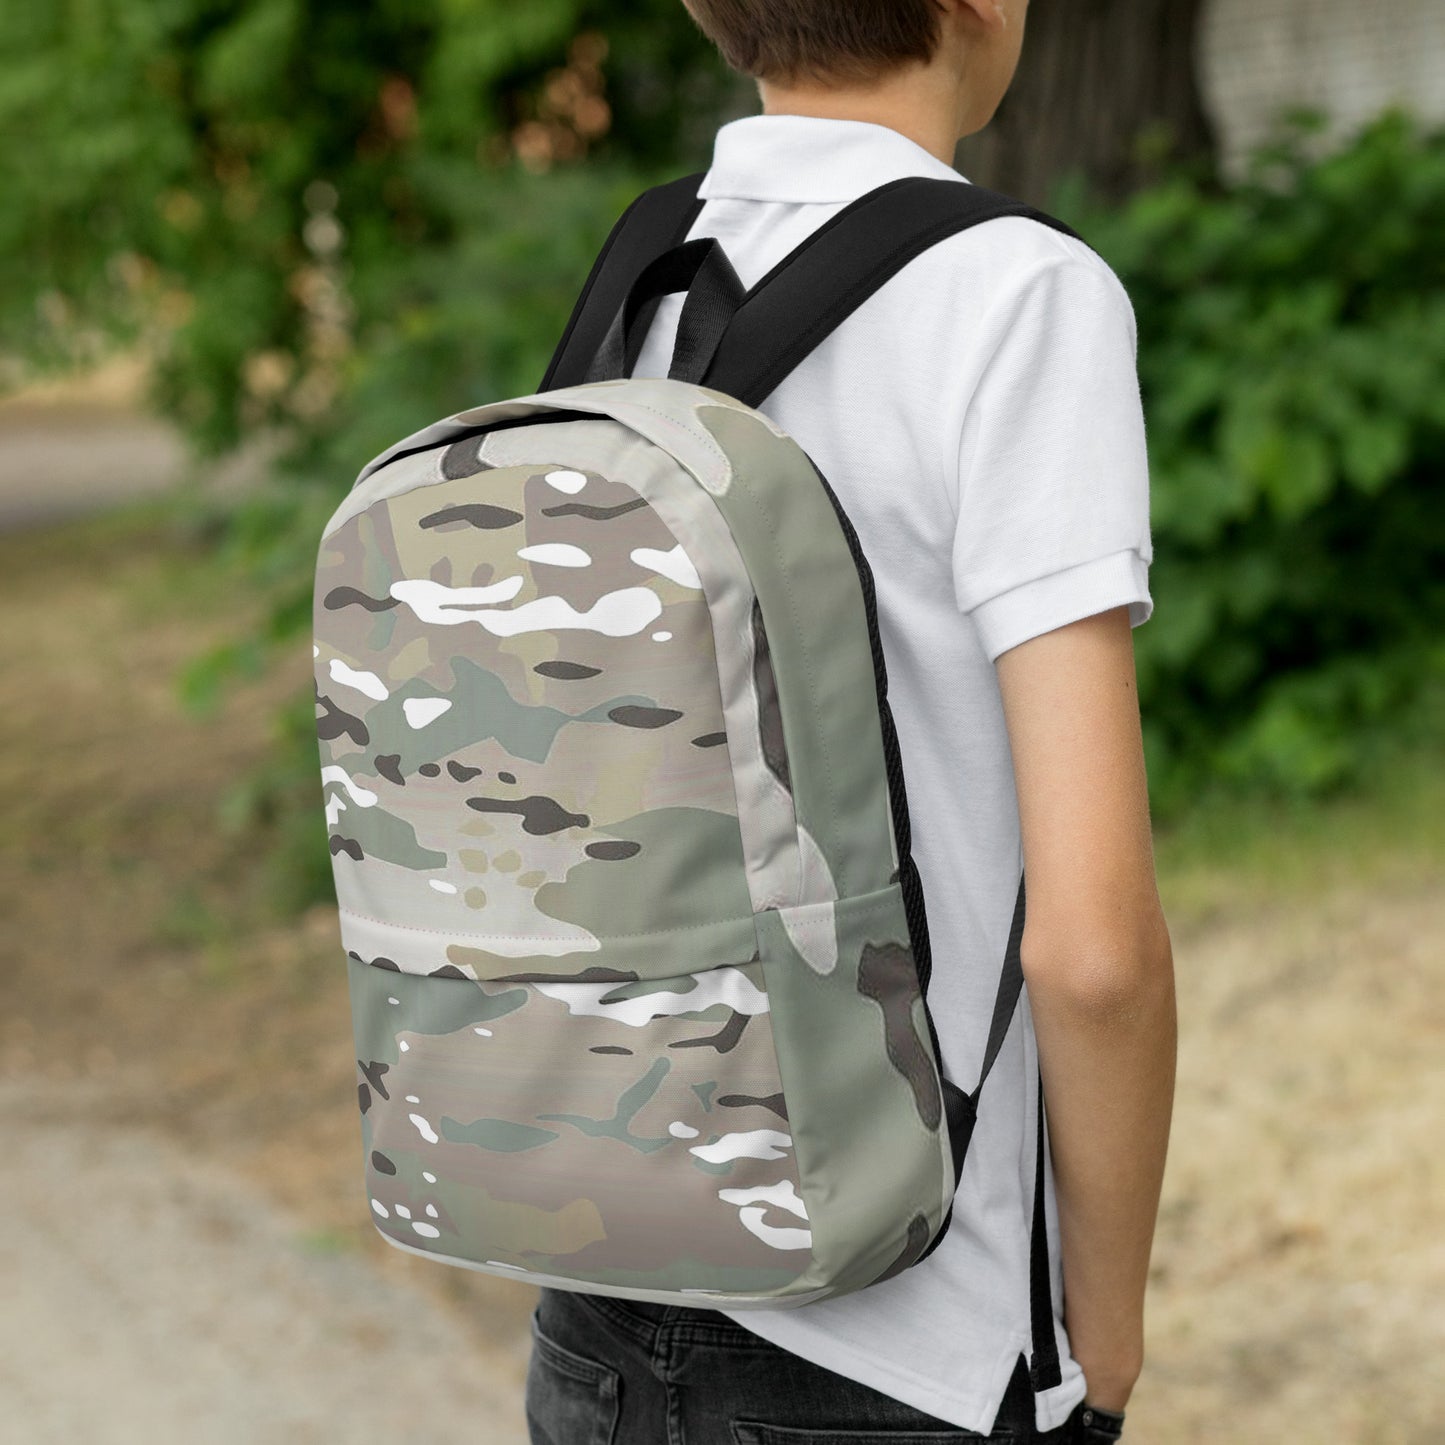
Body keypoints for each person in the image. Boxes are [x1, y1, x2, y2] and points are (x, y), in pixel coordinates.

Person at [525, 2, 1178, 1440]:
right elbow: (1091, 950)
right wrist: (1105, 1334)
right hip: (900, 1333)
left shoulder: (647, 271)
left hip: (601, 1278)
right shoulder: (1018, 294)